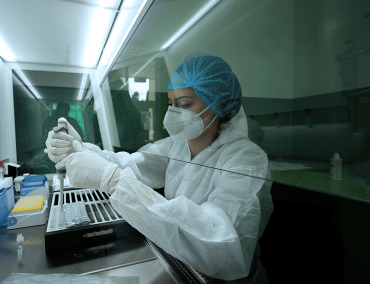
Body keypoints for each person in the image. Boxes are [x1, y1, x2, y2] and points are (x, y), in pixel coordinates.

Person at [46, 54, 273, 283]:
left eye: (184, 104)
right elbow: (132, 164)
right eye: (170, 103)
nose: (173, 112)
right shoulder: (176, 147)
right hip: (181, 263)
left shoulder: (247, 159)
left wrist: (114, 180)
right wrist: (81, 148)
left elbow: (222, 246)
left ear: (217, 103)